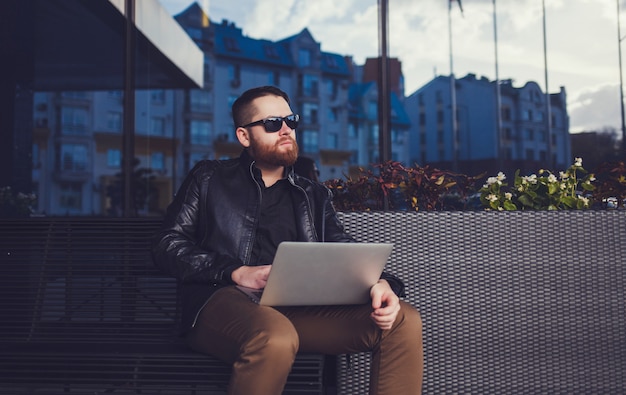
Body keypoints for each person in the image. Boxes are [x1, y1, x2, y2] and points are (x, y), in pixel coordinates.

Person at [151, 86, 423, 395]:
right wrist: (234, 271)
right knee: (274, 336)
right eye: (271, 123)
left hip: (296, 309)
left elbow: (345, 252)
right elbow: (166, 244)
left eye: (290, 120)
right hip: (221, 302)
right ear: (244, 136)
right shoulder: (209, 178)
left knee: (403, 319)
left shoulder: (313, 195)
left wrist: (383, 284)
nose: (285, 130)